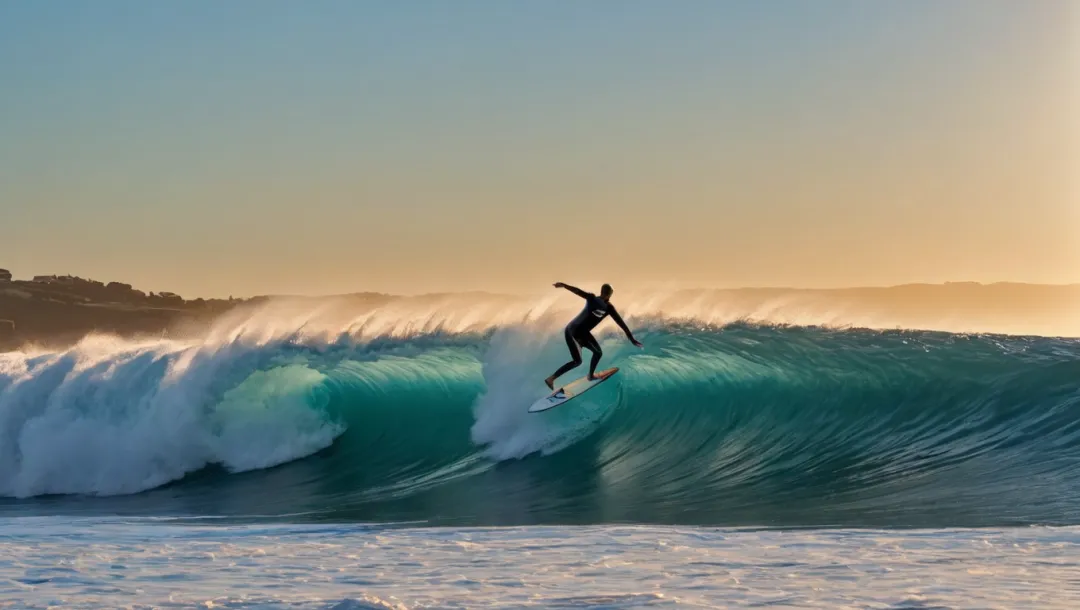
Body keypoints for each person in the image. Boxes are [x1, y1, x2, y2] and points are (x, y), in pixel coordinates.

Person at [545, 282, 643, 390]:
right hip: (573, 332)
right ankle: (584, 376)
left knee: (591, 355)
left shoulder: (599, 302)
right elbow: (621, 323)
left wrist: (564, 285)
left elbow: (577, 291)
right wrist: (631, 339)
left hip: (578, 332)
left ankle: (558, 378)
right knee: (587, 357)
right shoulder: (597, 301)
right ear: (609, 294)